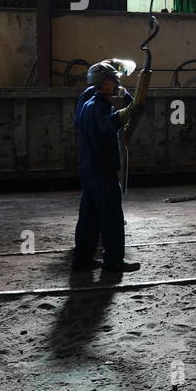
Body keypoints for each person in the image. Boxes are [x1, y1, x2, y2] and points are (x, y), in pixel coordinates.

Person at [71, 62, 143, 275]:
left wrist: (126, 95)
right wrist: (132, 108)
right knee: (111, 218)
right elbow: (110, 123)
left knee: (88, 218)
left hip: (88, 170)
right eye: (114, 80)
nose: (117, 83)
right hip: (103, 171)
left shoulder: (86, 100)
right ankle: (113, 262)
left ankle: (82, 259)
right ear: (103, 83)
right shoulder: (99, 106)